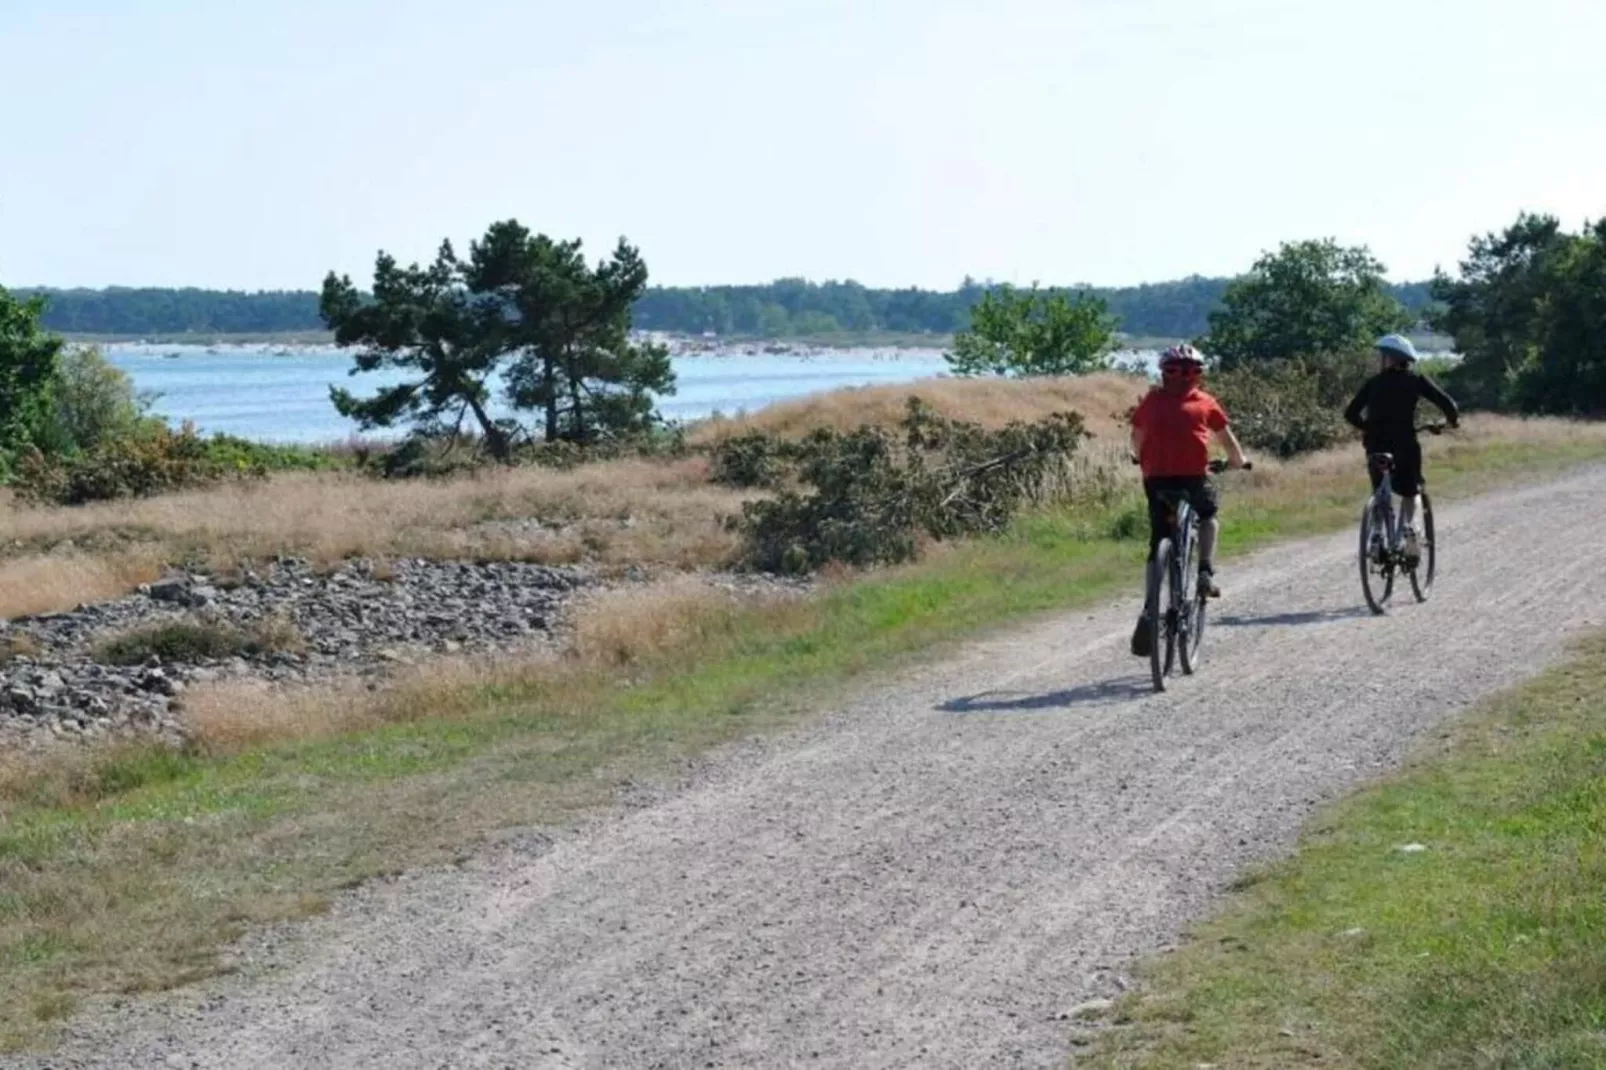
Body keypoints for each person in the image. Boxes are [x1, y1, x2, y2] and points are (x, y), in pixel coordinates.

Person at [1129, 343, 1250, 657]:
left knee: (1158, 543)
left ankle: (1150, 606)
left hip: (1156, 480)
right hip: (1194, 478)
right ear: (1198, 376)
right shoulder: (1205, 402)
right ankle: (1205, 570)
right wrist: (1238, 460)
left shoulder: (1151, 401)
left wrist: (1136, 456)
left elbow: (1137, 439)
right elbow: (1228, 442)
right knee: (1208, 515)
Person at [1343, 334, 1459, 562]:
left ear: (1390, 358)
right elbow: (1448, 404)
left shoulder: (1373, 383)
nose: (1380, 359)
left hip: (1376, 447)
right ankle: (1410, 528)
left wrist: (1368, 427)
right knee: (1411, 491)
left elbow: (1350, 413)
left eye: (1382, 356)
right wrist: (1450, 422)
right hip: (1405, 445)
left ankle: (1377, 533)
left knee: (1379, 492)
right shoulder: (1416, 380)